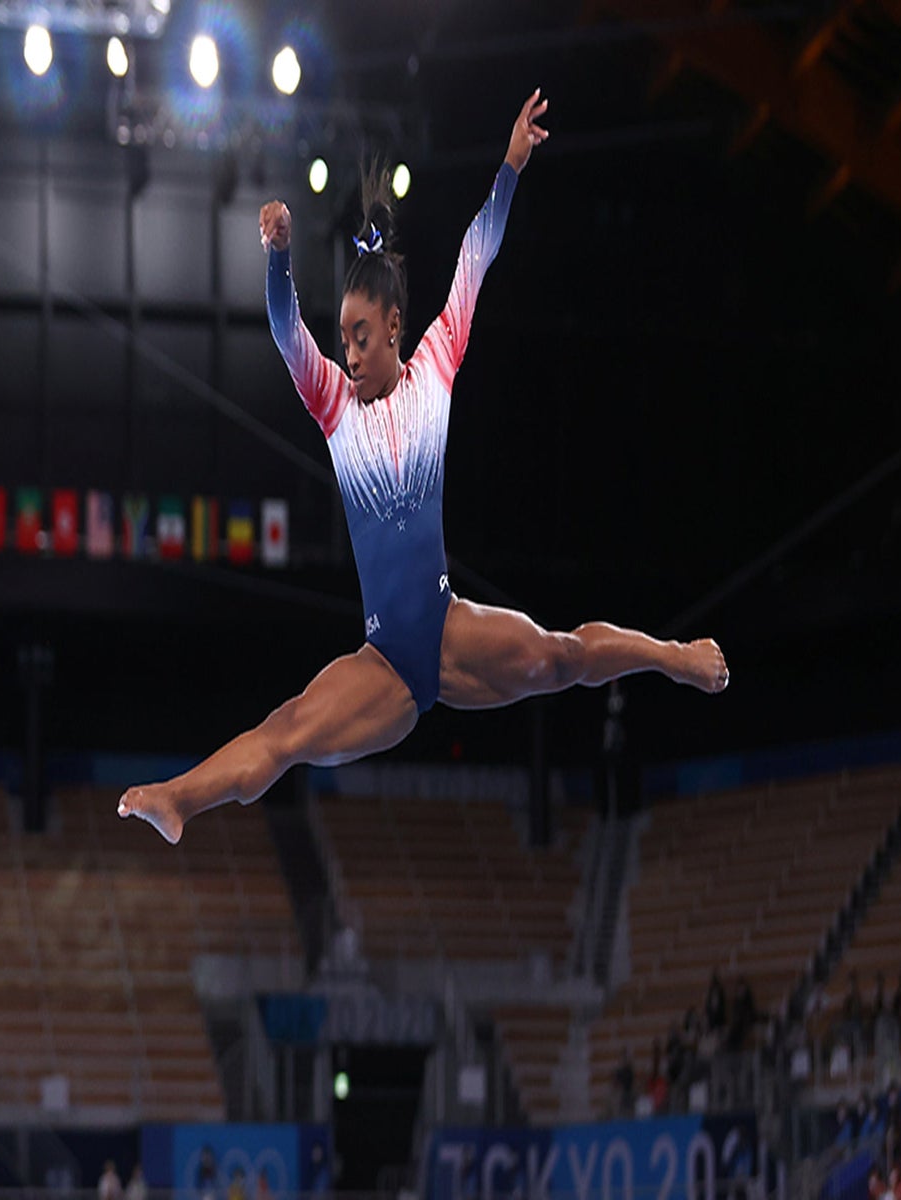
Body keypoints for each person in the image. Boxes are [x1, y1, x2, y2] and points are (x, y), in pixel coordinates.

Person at [117, 89, 729, 844]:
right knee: (287, 732)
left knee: (560, 655)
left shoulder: (437, 361)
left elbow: (479, 252)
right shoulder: (335, 405)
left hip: (447, 631)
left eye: (361, 337)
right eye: (342, 339)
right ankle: (178, 799)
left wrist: (509, 164)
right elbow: (283, 327)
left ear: (396, 328)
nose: (347, 354)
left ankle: (673, 658)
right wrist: (278, 258)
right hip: (386, 664)